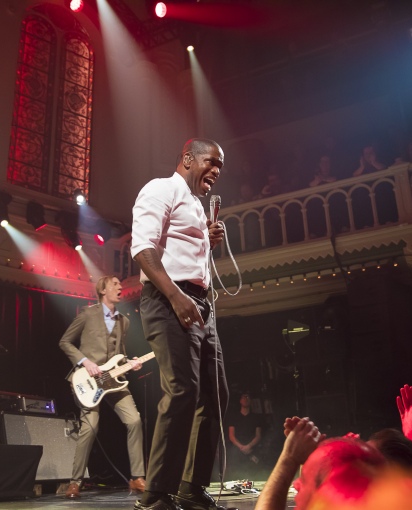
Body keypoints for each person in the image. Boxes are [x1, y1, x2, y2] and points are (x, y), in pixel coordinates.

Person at [131, 138, 231, 510]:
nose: (217, 171)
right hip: (169, 299)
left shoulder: (196, 205)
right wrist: (175, 295)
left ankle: (191, 488)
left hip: (202, 303)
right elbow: (144, 248)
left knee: (216, 395)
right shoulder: (160, 189)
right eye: (212, 162)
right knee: (183, 390)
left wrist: (208, 240)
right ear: (189, 159)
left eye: (221, 166)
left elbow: (185, 254)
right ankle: (156, 493)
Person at [58, 275, 146, 499]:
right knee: (91, 427)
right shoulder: (88, 314)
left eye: (120, 284)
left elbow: (119, 356)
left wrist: (130, 363)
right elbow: (65, 341)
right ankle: (75, 482)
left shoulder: (124, 321)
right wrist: (85, 362)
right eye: (115, 284)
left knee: (134, 420)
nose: (120, 287)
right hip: (88, 380)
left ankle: (137, 478)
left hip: (113, 382)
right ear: (103, 290)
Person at [227, 392, 263, 478]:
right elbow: (231, 435)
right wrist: (241, 447)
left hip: (251, 449)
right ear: (240, 400)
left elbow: (258, 435)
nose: (246, 399)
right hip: (237, 450)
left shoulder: (256, 417)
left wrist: (248, 446)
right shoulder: (234, 416)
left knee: (253, 473)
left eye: (248, 397)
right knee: (236, 474)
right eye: (244, 397)